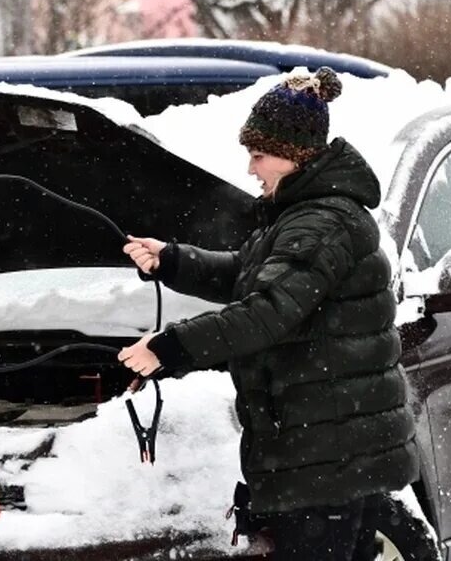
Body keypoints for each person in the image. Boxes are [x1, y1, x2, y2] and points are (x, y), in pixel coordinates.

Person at [119, 67, 417, 560]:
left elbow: (267, 312)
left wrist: (169, 348)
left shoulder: (321, 221)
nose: (251, 169)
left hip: (325, 457)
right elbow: (249, 274)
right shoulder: (307, 213)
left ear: (295, 155)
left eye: (259, 155)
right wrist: (171, 260)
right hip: (331, 449)